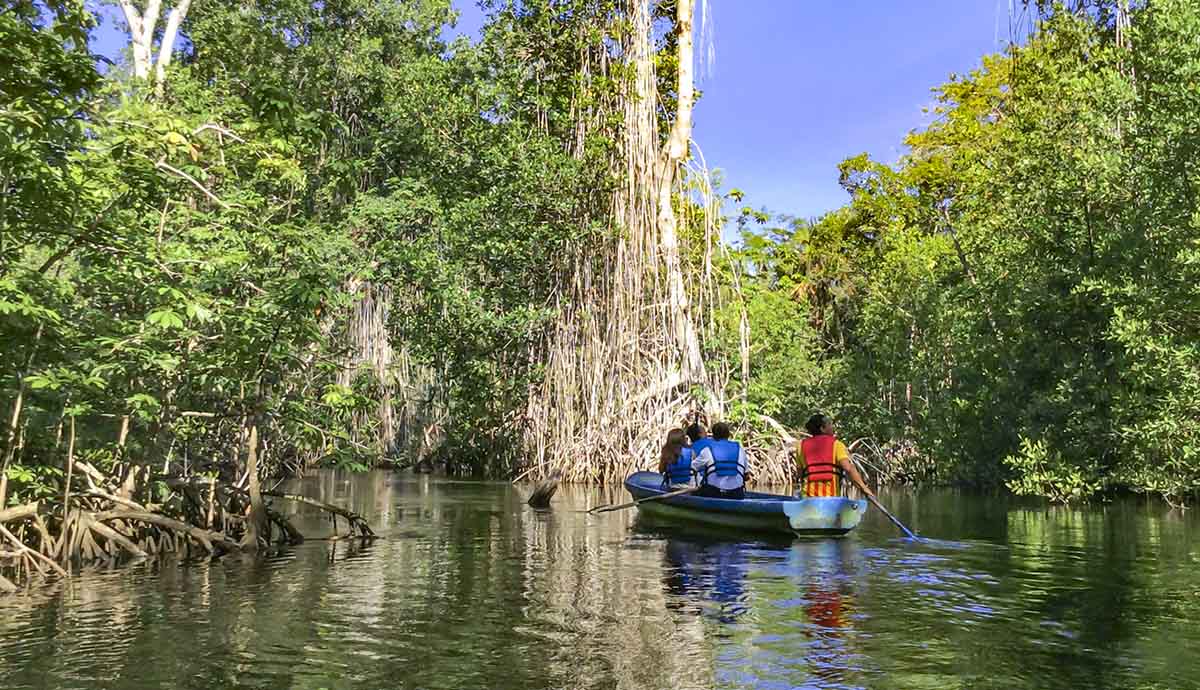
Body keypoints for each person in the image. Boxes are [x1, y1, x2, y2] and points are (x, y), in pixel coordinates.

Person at [797, 413, 874, 499]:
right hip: (831, 499)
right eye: (829, 424)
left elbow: (800, 474)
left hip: (807, 499)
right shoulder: (837, 445)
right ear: (822, 429)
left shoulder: (800, 445)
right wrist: (864, 488)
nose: (832, 427)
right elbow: (849, 469)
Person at [691, 422, 748, 499]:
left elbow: (692, 468)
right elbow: (746, 475)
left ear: (713, 436)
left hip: (714, 493)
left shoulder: (707, 450)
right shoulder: (740, 449)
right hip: (737, 494)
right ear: (728, 435)